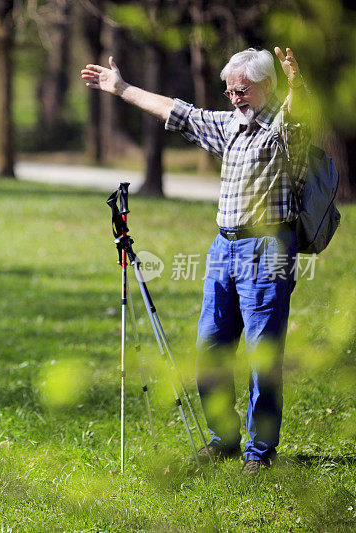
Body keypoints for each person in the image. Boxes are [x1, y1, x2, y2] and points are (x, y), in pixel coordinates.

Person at [81, 47, 310, 474]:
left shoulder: (282, 129)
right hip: (223, 249)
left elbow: (299, 118)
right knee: (209, 350)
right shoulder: (231, 127)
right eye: (228, 91)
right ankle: (223, 440)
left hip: (268, 250)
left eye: (241, 90)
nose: (233, 98)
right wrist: (123, 88)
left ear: (266, 86)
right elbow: (178, 111)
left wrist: (300, 88)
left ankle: (260, 454)